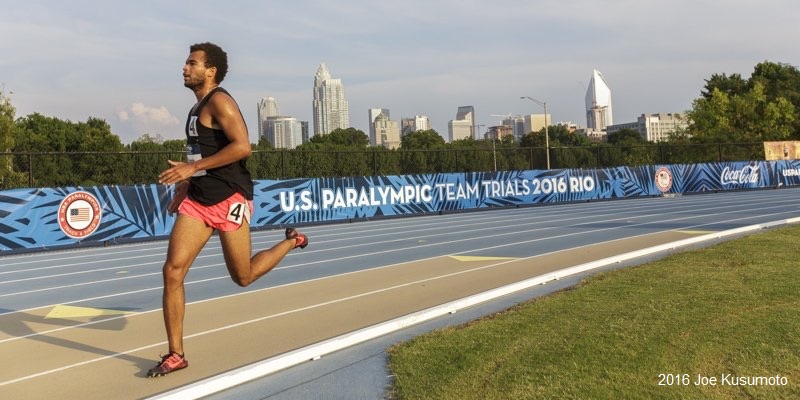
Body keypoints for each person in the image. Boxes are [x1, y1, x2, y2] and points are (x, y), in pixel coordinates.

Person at [147, 42, 308, 378]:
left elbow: (243, 147)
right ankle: (176, 354)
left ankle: (292, 241)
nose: (184, 68)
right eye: (185, 63)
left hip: (230, 199)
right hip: (198, 198)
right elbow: (198, 157)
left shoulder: (220, 101)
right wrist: (186, 183)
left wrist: (193, 170)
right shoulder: (196, 109)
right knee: (172, 271)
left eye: (192, 63)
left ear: (211, 71)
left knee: (243, 276)